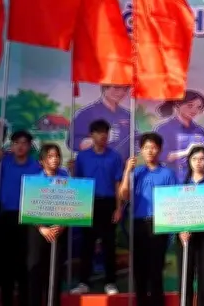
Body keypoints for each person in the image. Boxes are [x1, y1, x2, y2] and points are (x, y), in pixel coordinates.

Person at [119, 132, 178, 306]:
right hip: (138, 223)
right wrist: (127, 170)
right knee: (139, 268)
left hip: (159, 223)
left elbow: (174, 199)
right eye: (146, 148)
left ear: (159, 149)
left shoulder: (167, 173)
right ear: (141, 150)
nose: (150, 151)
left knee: (156, 268)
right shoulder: (136, 172)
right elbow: (123, 195)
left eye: (153, 147)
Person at [70, 119, 123, 295]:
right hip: (88, 202)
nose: (102, 135)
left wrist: (118, 208)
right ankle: (84, 282)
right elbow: (77, 181)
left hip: (108, 203)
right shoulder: (82, 157)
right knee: (87, 244)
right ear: (91, 135)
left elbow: (117, 184)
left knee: (109, 244)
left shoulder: (115, 156)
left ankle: (110, 282)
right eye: (99, 132)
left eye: (105, 132)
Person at [0, 130, 41, 306]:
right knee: (6, 262)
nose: (20, 146)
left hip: (27, 218)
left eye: (24, 143)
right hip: (5, 217)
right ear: (12, 145)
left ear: (29, 146)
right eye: (16, 142)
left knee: (25, 262)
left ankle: (25, 299)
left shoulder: (36, 167)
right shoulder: (4, 162)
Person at [27, 143, 69, 306]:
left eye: (57, 156)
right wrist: (42, 228)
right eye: (50, 156)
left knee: (56, 273)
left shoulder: (66, 179)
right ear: (41, 161)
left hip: (59, 231)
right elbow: (28, 208)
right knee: (36, 271)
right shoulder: (34, 181)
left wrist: (62, 225)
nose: (55, 159)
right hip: (38, 232)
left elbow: (73, 205)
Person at [177, 146, 204, 306]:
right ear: (189, 161)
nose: (198, 162)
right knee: (185, 276)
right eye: (194, 159)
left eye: (202, 159)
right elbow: (174, 209)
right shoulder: (181, 183)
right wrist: (180, 231)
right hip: (185, 236)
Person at [153, 89, 204, 180]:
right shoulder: (163, 129)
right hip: (171, 178)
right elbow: (161, 155)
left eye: (199, 107)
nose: (194, 110)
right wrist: (186, 152)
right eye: (190, 105)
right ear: (178, 104)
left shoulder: (200, 131)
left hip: (195, 180)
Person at [69, 85, 134, 158]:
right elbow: (73, 141)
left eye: (125, 89)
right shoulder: (86, 113)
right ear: (105, 87)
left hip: (122, 163)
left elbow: (135, 142)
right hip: (96, 162)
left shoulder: (127, 115)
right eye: (116, 88)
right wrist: (101, 139)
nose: (121, 92)